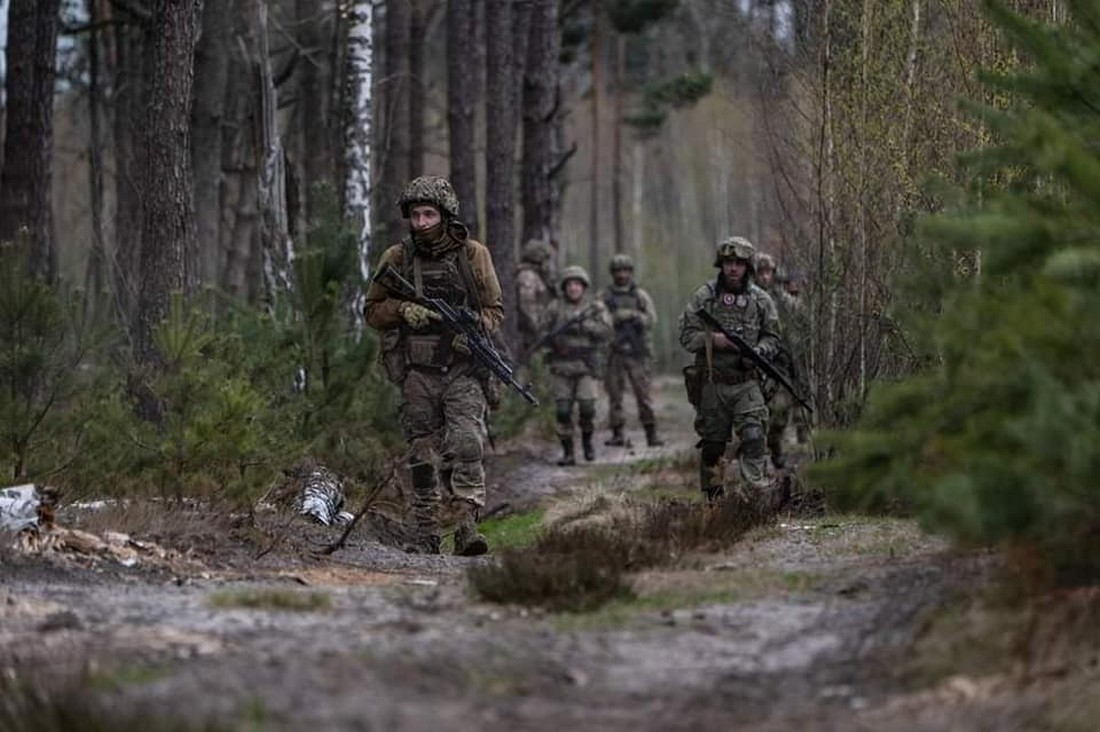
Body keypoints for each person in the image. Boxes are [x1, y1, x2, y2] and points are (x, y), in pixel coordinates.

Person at [365, 175, 502, 556]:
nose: (422, 222)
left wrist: (473, 328)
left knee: (466, 444)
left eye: (429, 214)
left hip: (463, 370)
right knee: (421, 453)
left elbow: (495, 311)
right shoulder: (397, 258)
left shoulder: (473, 255)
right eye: (415, 215)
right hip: (417, 372)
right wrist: (403, 309)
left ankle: (465, 526)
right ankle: (424, 532)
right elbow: (372, 310)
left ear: (445, 214)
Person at [679, 236, 780, 501]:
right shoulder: (705, 297)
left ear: (748, 267)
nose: (733, 268)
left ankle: (756, 495)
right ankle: (713, 501)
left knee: (754, 436)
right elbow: (687, 336)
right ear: (720, 265)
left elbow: (773, 338)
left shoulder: (761, 300)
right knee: (713, 446)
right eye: (728, 263)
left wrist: (758, 353)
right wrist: (713, 340)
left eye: (739, 263)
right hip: (714, 384)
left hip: (747, 382)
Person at [539, 265, 613, 466]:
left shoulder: (595, 307)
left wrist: (584, 325)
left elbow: (607, 332)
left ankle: (588, 443)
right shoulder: (555, 307)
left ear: (583, 286)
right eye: (570, 284)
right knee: (563, 411)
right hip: (561, 366)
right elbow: (542, 332)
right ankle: (568, 452)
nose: (573, 288)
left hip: (586, 366)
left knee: (587, 408)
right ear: (565, 287)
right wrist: (552, 344)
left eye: (577, 284)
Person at [600, 253, 663, 448]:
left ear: (630, 272)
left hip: (637, 352)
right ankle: (617, 433)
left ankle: (651, 433)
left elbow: (652, 319)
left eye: (625, 270)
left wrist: (634, 316)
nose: (621, 274)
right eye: (618, 271)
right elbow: (599, 320)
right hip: (615, 351)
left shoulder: (640, 295)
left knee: (643, 395)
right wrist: (616, 318)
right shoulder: (605, 296)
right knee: (615, 395)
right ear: (613, 273)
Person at [754, 253, 811, 467]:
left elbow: (802, 315)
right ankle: (756, 454)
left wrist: (800, 294)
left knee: (781, 412)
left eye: (768, 272)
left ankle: (776, 452)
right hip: (761, 363)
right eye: (761, 272)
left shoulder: (780, 298)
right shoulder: (751, 298)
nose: (765, 277)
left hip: (784, 364)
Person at [515, 239, 557, 361]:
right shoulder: (528, 276)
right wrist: (540, 331)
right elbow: (527, 308)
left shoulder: (538, 275)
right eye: (546, 259)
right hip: (531, 337)